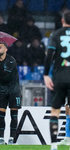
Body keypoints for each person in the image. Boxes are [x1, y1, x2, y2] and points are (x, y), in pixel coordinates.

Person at [43, 11, 70, 150]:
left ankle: (54, 145)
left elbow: (49, 55)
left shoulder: (56, 34)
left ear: (62, 20)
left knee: (55, 112)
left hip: (59, 78)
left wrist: (46, 74)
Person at [0, 42, 21, 145]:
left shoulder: (11, 60)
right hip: (2, 91)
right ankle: (1, 138)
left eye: (0, 47)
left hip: (14, 91)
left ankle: (11, 139)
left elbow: (4, 77)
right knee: (1, 115)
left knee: (14, 115)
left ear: (6, 49)